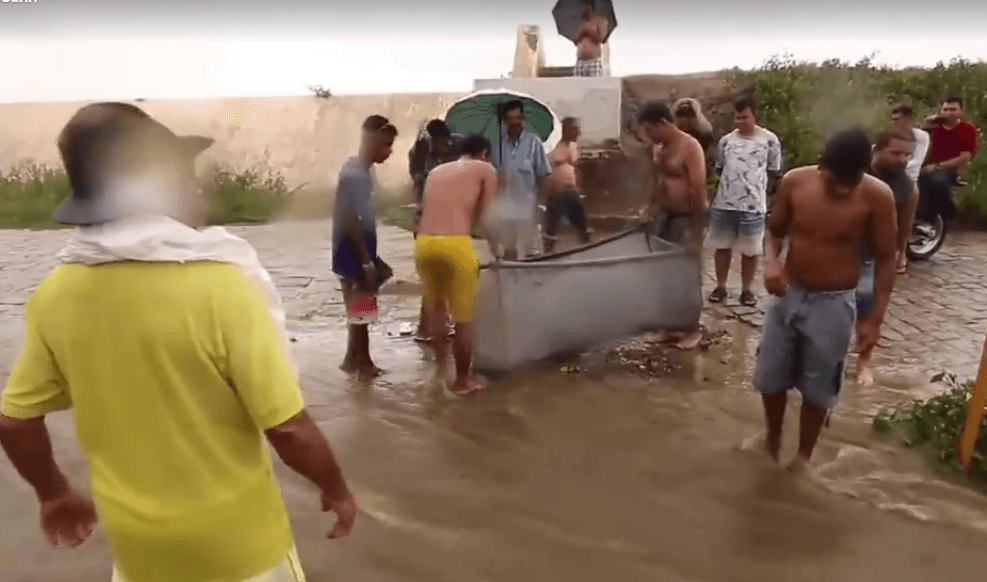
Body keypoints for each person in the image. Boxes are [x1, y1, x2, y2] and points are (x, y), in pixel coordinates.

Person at [0, 102, 357, 582]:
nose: (198, 188)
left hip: (139, 557)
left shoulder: (56, 294)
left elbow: (16, 421)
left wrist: (54, 493)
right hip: (241, 553)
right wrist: (336, 488)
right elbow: (287, 428)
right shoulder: (222, 287)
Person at [754, 126, 897, 468]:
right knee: (770, 378)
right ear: (821, 166)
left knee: (819, 390)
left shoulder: (878, 197)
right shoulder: (795, 182)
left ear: (865, 169)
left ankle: (803, 458)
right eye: (836, 180)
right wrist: (771, 264)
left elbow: (887, 259)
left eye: (852, 180)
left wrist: (873, 323)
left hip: (834, 303)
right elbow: (773, 233)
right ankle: (772, 441)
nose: (844, 188)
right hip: (789, 295)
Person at [415, 134, 498, 395]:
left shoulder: (437, 171)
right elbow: (487, 216)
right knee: (463, 319)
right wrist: (498, 251)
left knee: (437, 310)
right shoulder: (486, 169)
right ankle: (463, 381)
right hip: (455, 245)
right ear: (484, 152)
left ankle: (441, 375)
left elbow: (423, 209)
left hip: (424, 243)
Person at [636, 100, 707, 351]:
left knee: (687, 276)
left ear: (663, 124)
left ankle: (691, 329)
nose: (647, 135)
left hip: (687, 218)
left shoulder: (690, 148)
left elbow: (700, 195)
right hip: (666, 216)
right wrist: (649, 210)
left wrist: (697, 236)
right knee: (664, 274)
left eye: (650, 130)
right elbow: (658, 183)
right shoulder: (661, 149)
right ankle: (671, 326)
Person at [332, 114, 397, 378]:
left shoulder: (356, 168)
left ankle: (351, 359)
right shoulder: (357, 175)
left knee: (357, 304)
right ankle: (365, 364)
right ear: (372, 141)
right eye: (386, 145)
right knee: (363, 307)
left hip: (348, 247)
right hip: (354, 249)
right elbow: (350, 219)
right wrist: (366, 259)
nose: (389, 151)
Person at [855, 129, 917, 386]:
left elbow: (905, 225)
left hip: (874, 256)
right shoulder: (855, 171)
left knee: (870, 311)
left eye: (906, 155)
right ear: (877, 150)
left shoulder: (908, 188)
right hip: (841, 250)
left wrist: (900, 253)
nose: (902, 160)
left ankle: (862, 366)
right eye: (896, 153)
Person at [707, 96, 783, 307]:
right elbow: (720, 167)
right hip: (724, 204)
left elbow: (774, 171)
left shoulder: (769, 140)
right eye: (737, 117)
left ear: (754, 116)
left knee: (751, 251)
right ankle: (721, 287)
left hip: (753, 206)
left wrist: (767, 199)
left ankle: (746, 290)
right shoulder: (726, 141)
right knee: (722, 247)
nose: (740, 121)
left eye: (744, 117)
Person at [409, 119, 459, 342]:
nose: (444, 144)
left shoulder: (447, 156)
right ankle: (429, 325)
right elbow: (423, 185)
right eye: (440, 141)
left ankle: (438, 321)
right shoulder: (422, 159)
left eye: (445, 140)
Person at [492, 99, 551, 260]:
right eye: (510, 119)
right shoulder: (498, 147)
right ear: (504, 120)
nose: (514, 123)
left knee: (532, 254)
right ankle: (510, 283)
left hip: (528, 207)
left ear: (523, 118)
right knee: (508, 252)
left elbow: (544, 175)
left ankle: (532, 284)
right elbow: (492, 179)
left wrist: (541, 204)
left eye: (517, 118)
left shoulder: (534, 143)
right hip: (505, 207)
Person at [917, 95, 980, 228]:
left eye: (953, 109)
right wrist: (924, 127)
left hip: (949, 168)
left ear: (961, 111)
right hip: (924, 165)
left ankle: (930, 218)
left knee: (935, 180)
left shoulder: (967, 128)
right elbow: (916, 144)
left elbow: (965, 157)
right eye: (945, 109)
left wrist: (937, 166)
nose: (948, 113)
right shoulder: (933, 126)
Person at [888, 103, 929, 274]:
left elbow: (915, 162)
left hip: (908, 176)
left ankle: (901, 252)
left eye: (899, 119)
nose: (896, 123)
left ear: (909, 119)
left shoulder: (920, 136)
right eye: (894, 120)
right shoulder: (890, 135)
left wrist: (897, 164)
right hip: (888, 173)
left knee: (910, 196)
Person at [542, 116, 592, 253]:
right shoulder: (553, 146)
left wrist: (579, 188)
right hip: (557, 191)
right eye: (574, 129)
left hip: (571, 190)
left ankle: (587, 250)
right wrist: (546, 191)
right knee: (552, 223)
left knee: (581, 220)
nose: (577, 133)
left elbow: (576, 168)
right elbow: (546, 170)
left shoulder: (573, 146)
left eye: (578, 129)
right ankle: (548, 252)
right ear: (565, 130)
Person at [573, 0, 608, 77]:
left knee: (594, 87)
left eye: (584, 6)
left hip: (593, 61)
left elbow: (601, 38)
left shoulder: (600, 21)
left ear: (591, 7)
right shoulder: (580, 23)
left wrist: (588, 31)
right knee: (577, 87)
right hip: (580, 61)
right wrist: (581, 32)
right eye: (581, 7)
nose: (582, 9)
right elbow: (576, 41)